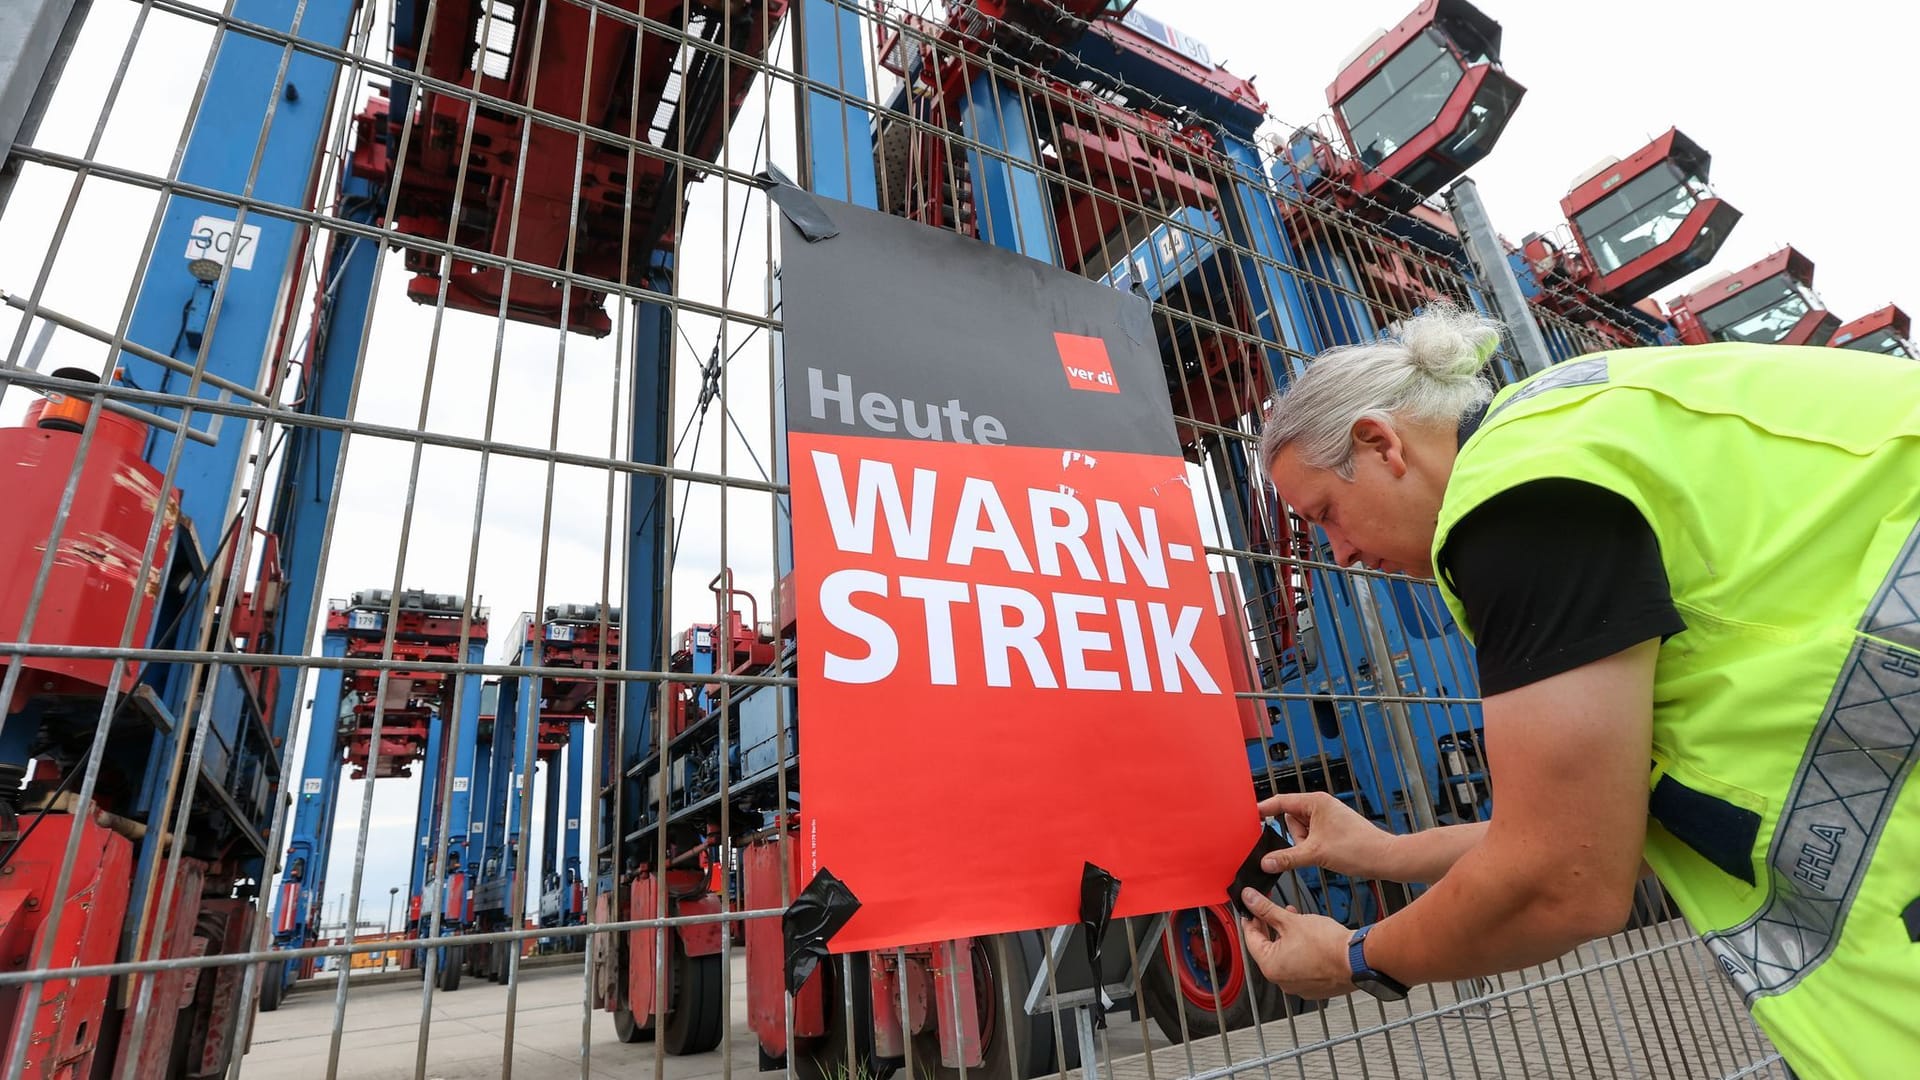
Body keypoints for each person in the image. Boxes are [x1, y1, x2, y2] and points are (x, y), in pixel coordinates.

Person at [1235, 302, 1919, 1078]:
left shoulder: (1518, 494)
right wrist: (1392, 853)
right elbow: (1603, 832)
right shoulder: (1574, 428)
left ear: (1379, 442)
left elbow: (1567, 879)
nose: (1342, 553)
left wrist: (1356, 958)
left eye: (1325, 515)